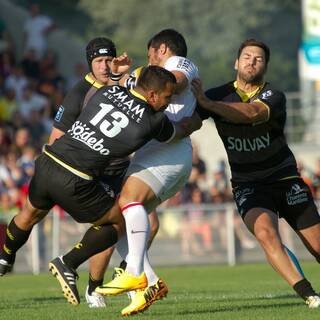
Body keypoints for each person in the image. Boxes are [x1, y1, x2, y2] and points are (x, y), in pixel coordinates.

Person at [0, 66, 196, 306]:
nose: (167, 103)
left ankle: (4, 257)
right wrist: (199, 115)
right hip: (75, 178)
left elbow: (122, 85)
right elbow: (179, 132)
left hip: (48, 162)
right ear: (153, 95)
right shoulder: (153, 120)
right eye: (167, 97)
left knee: (29, 214)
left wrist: (119, 74)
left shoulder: (108, 92)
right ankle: (68, 262)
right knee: (122, 220)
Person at [191, 38, 320, 309]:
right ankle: (309, 294)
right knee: (265, 232)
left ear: (265, 67)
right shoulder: (215, 95)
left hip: (284, 179)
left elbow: (251, 113)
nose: (252, 61)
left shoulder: (274, 95)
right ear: (236, 62)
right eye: (247, 56)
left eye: (258, 58)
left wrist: (207, 104)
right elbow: (186, 124)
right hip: (248, 184)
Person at [95, 29, 201, 316]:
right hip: (153, 151)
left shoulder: (181, 64)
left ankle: (135, 271)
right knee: (118, 222)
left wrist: (136, 76)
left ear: (162, 49)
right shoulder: (147, 72)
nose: (148, 58)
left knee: (128, 200)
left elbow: (173, 85)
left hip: (170, 150)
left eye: (151, 53)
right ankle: (150, 284)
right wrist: (120, 77)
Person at [48, 36, 134, 308]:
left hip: (126, 169)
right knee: (110, 230)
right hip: (97, 175)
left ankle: (125, 273)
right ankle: (95, 288)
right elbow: (55, 140)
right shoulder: (79, 94)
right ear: (90, 64)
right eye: (99, 61)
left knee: (145, 223)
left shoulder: (125, 86)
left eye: (109, 59)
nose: (106, 65)